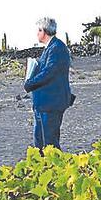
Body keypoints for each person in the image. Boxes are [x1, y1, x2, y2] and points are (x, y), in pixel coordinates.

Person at [23, 17, 73, 149]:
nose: (37, 34)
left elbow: (49, 73)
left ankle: (54, 169)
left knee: (50, 145)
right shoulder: (50, 48)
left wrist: (29, 83)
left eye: (38, 30)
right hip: (43, 104)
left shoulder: (57, 48)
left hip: (51, 104)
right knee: (40, 143)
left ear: (44, 31)